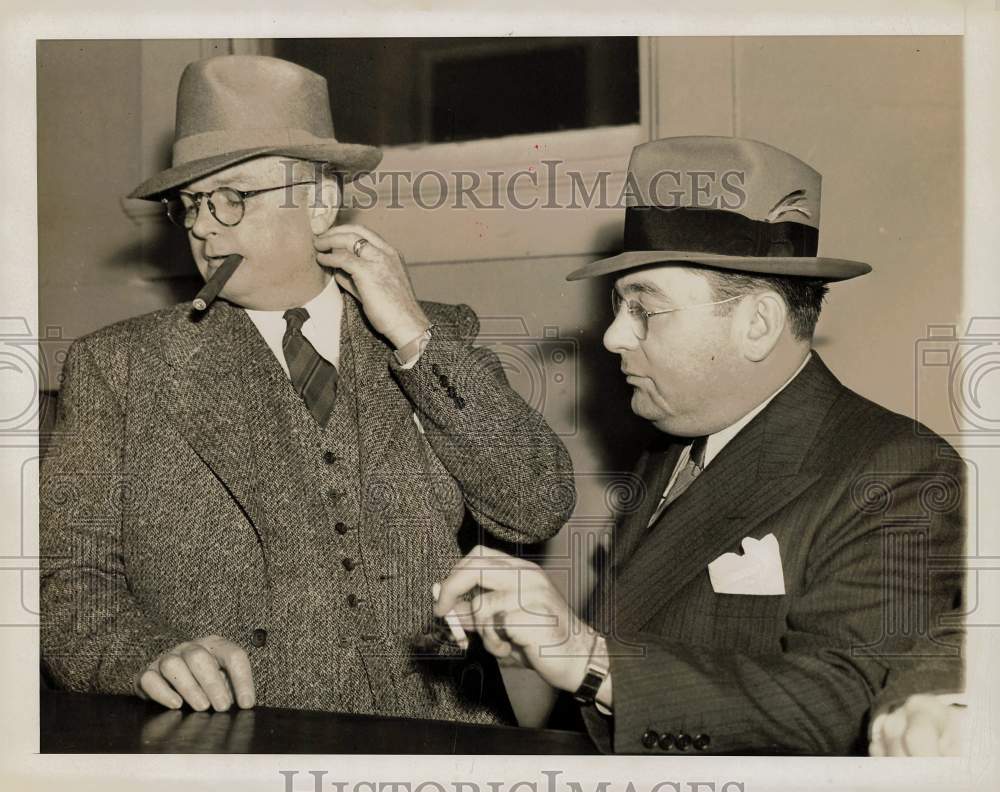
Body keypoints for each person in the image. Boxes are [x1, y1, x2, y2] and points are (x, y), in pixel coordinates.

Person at [39, 55, 574, 724]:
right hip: (239, 738)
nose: (204, 227)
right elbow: (67, 584)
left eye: (233, 197)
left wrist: (412, 335)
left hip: (441, 738)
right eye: (192, 205)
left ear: (320, 202)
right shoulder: (118, 367)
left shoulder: (436, 335)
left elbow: (535, 505)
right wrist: (144, 657)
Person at [435, 136, 965, 753]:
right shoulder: (675, 450)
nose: (611, 337)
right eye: (616, 306)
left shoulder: (902, 470)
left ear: (758, 324)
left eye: (644, 309)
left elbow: (846, 704)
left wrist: (590, 659)